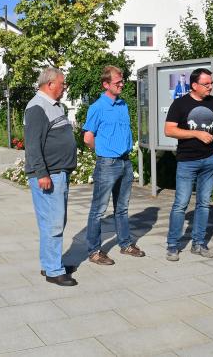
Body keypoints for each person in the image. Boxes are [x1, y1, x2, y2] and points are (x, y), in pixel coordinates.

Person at [82, 66, 145, 265]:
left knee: (122, 208)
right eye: (117, 82)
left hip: (125, 162)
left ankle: (125, 244)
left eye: (122, 80)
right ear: (106, 84)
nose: (121, 84)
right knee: (98, 210)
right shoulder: (97, 107)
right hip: (107, 163)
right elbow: (88, 138)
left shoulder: (123, 104)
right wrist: (102, 151)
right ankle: (94, 252)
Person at [164, 68, 213, 261]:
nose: (210, 86)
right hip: (187, 161)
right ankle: (173, 245)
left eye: (211, 83)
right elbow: (169, 130)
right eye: (206, 84)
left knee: (203, 204)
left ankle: (198, 243)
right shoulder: (180, 104)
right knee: (181, 204)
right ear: (194, 85)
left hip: (210, 160)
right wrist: (196, 133)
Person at [24, 67, 78, 287]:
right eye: (62, 84)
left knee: (54, 222)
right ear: (50, 84)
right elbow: (32, 145)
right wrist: (42, 173)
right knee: (53, 223)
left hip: (58, 173)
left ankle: (51, 262)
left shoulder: (55, 106)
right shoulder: (37, 107)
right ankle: (54, 271)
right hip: (49, 175)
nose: (65, 88)